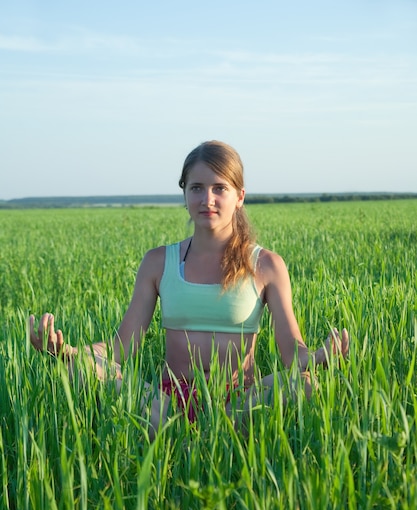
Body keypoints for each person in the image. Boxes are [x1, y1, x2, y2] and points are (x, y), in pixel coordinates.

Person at [29, 140, 349, 436]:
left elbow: (292, 353)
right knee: (81, 371)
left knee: (305, 385)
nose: (206, 199)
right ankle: (179, 436)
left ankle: (214, 435)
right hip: (167, 404)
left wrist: (322, 356)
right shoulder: (158, 262)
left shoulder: (266, 265)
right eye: (196, 188)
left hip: (239, 402)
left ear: (239, 196)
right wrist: (67, 353)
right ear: (185, 194)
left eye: (219, 188)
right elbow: (121, 348)